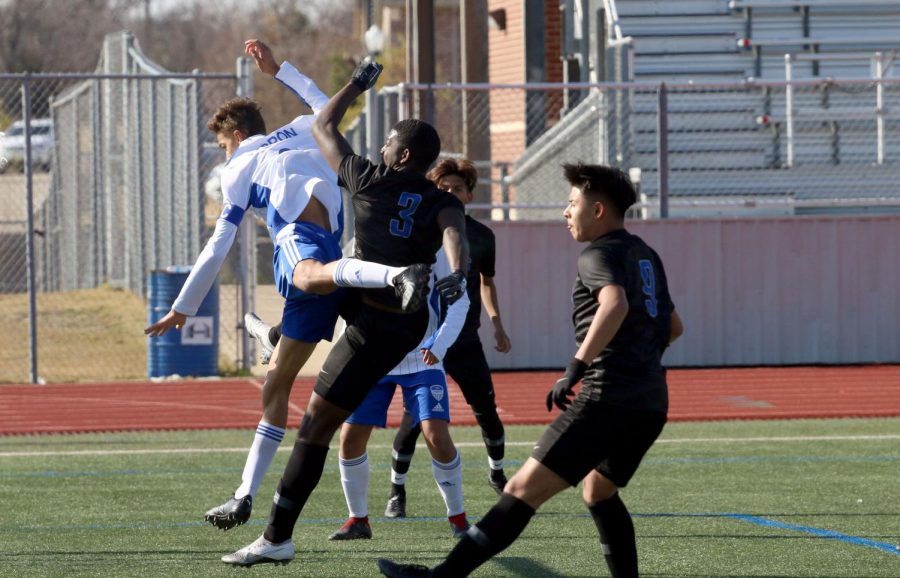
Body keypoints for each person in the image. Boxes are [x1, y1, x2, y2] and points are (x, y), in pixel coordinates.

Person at [144, 40, 430, 532]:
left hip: (302, 242)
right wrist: (281, 70)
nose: (222, 152)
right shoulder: (300, 129)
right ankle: (243, 496)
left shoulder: (236, 169)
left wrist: (182, 307)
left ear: (234, 135)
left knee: (302, 283)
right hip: (341, 255)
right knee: (277, 381)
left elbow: (218, 245)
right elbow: (324, 102)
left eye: (221, 144)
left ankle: (370, 289)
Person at [376, 162, 685, 578]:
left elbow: (614, 304)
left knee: (521, 491)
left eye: (572, 203)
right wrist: (639, 358)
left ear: (597, 210)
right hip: (650, 403)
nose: (565, 211)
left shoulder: (598, 253)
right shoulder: (646, 254)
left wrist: (576, 367)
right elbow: (673, 327)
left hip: (607, 398)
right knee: (598, 490)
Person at [221, 57, 470, 567]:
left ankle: (275, 539)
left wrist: (356, 83)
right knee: (331, 276)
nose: (379, 148)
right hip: (402, 318)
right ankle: (277, 334)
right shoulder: (436, 197)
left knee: (314, 427)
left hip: (376, 323)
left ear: (399, 154)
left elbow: (322, 124)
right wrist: (456, 272)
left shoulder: (367, 178)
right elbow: (453, 233)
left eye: (387, 144)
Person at [386, 158, 512, 521]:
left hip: (464, 337)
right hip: (424, 341)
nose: (450, 193)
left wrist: (497, 324)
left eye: (457, 188)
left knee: (485, 408)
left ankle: (498, 473)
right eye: (443, 188)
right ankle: (397, 490)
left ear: (469, 193)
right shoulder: (418, 231)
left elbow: (486, 282)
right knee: (414, 419)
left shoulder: (483, 236)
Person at [330, 248, 471, 542]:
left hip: (422, 359)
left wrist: (440, 344)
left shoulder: (437, 248)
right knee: (350, 437)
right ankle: (358, 520)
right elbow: (340, 289)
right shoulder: (362, 241)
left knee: (436, 436)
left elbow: (461, 301)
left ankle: (458, 519)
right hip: (373, 357)